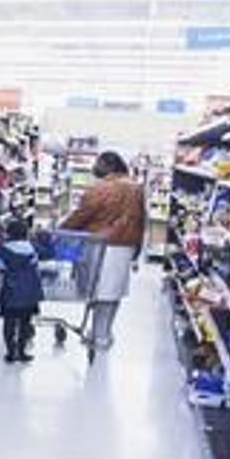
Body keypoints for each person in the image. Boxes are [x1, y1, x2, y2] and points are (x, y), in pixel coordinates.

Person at [58, 150, 146, 351]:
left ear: (108, 165)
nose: (94, 167)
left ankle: (99, 337)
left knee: (98, 291)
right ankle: (103, 332)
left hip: (100, 245)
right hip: (125, 247)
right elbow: (142, 222)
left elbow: (82, 215)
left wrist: (60, 231)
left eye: (98, 163)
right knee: (113, 293)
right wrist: (137, 251)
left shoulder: (101, 188)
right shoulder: (136, 188)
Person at [0, 217, 42, 363]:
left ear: (9, 233)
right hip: (30, 291)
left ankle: (11, 353)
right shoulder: (32, 247)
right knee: (25, 322)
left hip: (11, 291)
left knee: (9, 322)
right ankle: (22, 352)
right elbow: (37, 262)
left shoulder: (3, 249)